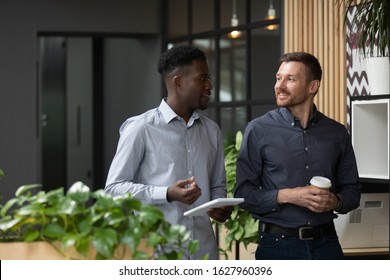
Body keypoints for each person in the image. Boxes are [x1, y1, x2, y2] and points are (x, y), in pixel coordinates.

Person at [105, 45, 233, 260]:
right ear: (179, 82)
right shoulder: (141, 128)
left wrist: (218, 205)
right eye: (202, 78)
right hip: (158, 254)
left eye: (208, 78)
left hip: (204, 253)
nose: (209, 86)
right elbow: (114, 189)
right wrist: (166, 194)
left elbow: (218, 185)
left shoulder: (212, 130)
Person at [234, 52, 361, 260]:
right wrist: (289, 195)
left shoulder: (337, 133)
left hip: (327, 244)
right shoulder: (258, 130)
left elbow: (353, 190)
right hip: (277, 246)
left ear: (313, 86)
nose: (280, 86)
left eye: (290, 79)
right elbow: (243, 194)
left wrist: (336, 202)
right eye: (278, 78)